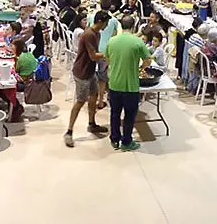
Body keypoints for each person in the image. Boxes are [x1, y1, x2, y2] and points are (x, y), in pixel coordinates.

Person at [64, 11, 110, 147]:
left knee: (94, 96)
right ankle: (69, 132)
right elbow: (92, 56)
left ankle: (92, 123)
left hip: (90, 71)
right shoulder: (89, 34)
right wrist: (108, 55)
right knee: (80, 101)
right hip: (82, 72)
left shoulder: (98, 33)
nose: (107, 25)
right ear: (100, 21)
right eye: (106, 23)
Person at [106, 15, 152, 151]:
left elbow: (107, 60)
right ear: (133, 27)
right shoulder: (138, 42)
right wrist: (140, 68)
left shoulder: (112, 41)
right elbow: (148, 61)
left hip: (114, 83)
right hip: (131, 85)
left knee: (115, 113)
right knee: (129, 115)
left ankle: (114, 139)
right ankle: (126, 142)